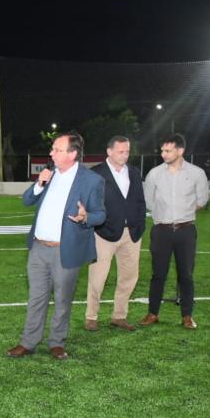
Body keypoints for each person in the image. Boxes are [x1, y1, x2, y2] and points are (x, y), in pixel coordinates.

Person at [6, 132, 105, 360]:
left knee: (62, 299)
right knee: (36, 298)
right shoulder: (48, 175)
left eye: (57, 149)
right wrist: (40, 184)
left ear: (72, 154)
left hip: (65, 250)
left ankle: (56, 342)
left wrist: (85, 216)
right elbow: (26, 200)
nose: (51, 153)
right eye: (52, 149)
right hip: (38, 248)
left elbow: (100, 215)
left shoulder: (92, 181)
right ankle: (28, 342)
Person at [140, 133, 209, 329]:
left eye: (167, 150)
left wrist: (183, 211)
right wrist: (164, 214)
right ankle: (153, 313)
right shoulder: (154, 174)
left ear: (180, 151)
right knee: (158, 274)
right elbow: (149, 201)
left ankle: (187, 316)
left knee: (186, 275)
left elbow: (202, 200)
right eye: (162, 150)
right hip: (161, 231)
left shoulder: (197, 173)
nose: (163, 154)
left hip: (186, 231)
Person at [84, 136, 146, 331]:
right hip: (104, 233)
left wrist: (139, 224)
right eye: (121, 151)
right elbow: (88, 203)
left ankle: (119, 316)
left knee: (129, 277)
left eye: (127, 151)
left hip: (132, 234)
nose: (125, 155)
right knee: (97, 277)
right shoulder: (95, 174)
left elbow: (139, 202)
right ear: (109, 151)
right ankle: (91, 316)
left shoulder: (134, 173)